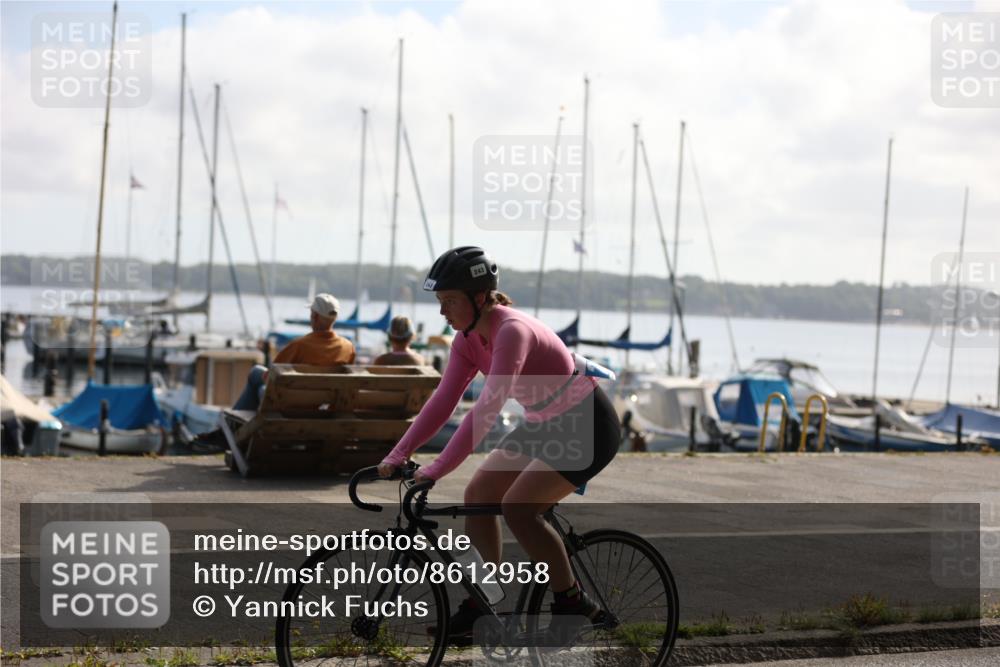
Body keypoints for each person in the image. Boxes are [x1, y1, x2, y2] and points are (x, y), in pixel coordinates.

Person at [377, 246, 621, 646]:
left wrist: (436, 469)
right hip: (543, 422)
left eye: (449, 301)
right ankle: (483, 605)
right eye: (440, 302)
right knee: (478, 494)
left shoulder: (512, 332)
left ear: (478, 298)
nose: (442, 312)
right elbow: (444, 400)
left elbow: (486, 411)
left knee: (518, 508)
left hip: (586, 424)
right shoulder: (467, 339)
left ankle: (572, 600)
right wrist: (397, 453)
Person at [193, 294, 355, 445]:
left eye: (311, 313)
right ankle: (226, 432)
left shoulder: (300, 345)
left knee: (257, 376)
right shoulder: (348, 347)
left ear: (315, 316)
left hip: (287, 407)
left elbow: (270, 377)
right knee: (258, 375)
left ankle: (226, 432)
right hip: (319, 407)